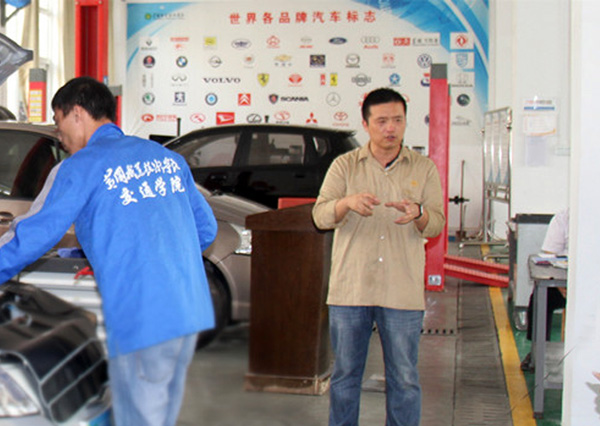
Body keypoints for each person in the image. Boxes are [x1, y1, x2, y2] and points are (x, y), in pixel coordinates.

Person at [0, 77, 218, 426]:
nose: (59, 136)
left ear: (77, 113)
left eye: (58, 122)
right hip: (189, 307)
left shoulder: (82, 166)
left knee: (138, 416)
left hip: (142, 314)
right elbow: (206, 230)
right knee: (160, 413)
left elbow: (35, 234)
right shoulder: (166, 158)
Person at [312, 88, 445, 426]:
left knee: (404, 379)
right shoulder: (344, 166)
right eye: (382, 121)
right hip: (351, 289)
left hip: (402, 291)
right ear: (366, 124)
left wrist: (418, 213)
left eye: (397, 120)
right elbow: (320, 216)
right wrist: (346, 203)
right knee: (345, 377)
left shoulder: (424, 168)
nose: (391, 128)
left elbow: (437, 225)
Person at [521, 208, 569, 372]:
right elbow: (549, 255)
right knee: (541, 299)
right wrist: (559, 285)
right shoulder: (564, 219)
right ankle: (537, 351)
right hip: (565, 282)